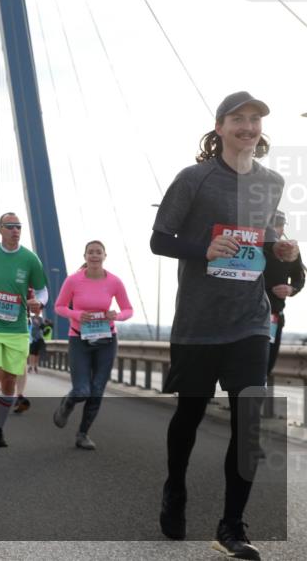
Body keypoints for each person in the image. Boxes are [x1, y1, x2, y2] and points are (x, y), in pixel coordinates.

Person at [151, 91, 295, 560]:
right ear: (219, 127)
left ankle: (232, 527)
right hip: (198, 321)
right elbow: (159, 239)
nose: (248, 126)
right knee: (188, 416)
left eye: (255, 119)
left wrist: (287, 260)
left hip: (250, 321)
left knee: (250, 422)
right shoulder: (194, 178)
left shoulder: (271, 182)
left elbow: (267, 247)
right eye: (239, 118)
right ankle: (175, 486)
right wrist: (202, 250)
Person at [0, 213, 48, 448]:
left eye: (19, 227)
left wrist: (40, 303)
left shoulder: (30, 259)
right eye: (10, 226)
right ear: (0, 229)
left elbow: (43, 290)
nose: (15, 230)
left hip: (17, 329)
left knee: (10, 381)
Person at [52, 240, 134, 449]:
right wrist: (77, 314)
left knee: (97, 390)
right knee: (82, 390)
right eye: (91, 252)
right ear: (85, 256)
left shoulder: (114, 282)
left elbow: (128, 309)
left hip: (106, 340)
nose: (94, 255)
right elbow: (59, 307)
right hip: (79, 338)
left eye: (98, 252)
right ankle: (68, 403)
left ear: (105, 256)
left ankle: (83, 434)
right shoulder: (73, 281)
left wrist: (117, 315)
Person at [263, 210, 304, 376]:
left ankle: (253, 401)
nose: (277, 229)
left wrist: (291, 289)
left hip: (274, 316)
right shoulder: (256, 247)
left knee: (266, 366)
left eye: (280, 225)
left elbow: (299, 278)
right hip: (247, 313)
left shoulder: (290, 249)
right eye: (273, 225)